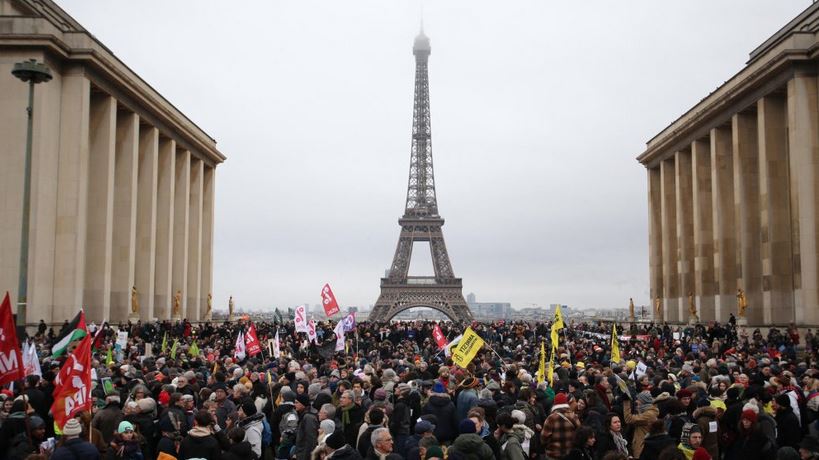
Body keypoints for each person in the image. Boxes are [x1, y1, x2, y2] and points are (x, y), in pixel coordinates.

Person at [541, 392, 581, 459]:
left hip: (554, 454)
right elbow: (580, 432)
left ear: (555, 404)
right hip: (570, 454)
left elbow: (544, 438)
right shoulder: (573, 416)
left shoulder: (551, 418)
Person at [295, 393, 319, 460]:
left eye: (297, 402)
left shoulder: (308, 417)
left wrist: (306, 457)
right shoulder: (303, 414)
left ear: (303, 404)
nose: (295, 405)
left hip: (304, 454)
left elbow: (311, 440)